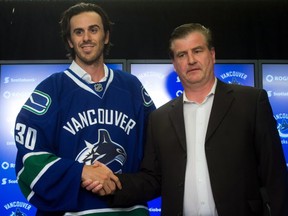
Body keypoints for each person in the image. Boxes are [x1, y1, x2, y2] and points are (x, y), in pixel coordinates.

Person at [87, 23, 288, 216]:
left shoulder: (251, 102)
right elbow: (152, 180)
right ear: (174, 64)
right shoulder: (160, 118)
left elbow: (275, 176)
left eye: (197, 51)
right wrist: (113, 184)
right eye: (182, 55)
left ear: (212, 54)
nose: (191, 60)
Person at [14, 2, 155, 216]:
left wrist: (118, 184)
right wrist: (81, 172)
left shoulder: (132, 87)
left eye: (93, 29)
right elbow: (29, 160)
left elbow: (155, 155)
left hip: (128, 211)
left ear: (106, 36)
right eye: (78, 32)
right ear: (70, 41)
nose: (86, 38)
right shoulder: (51, 89)